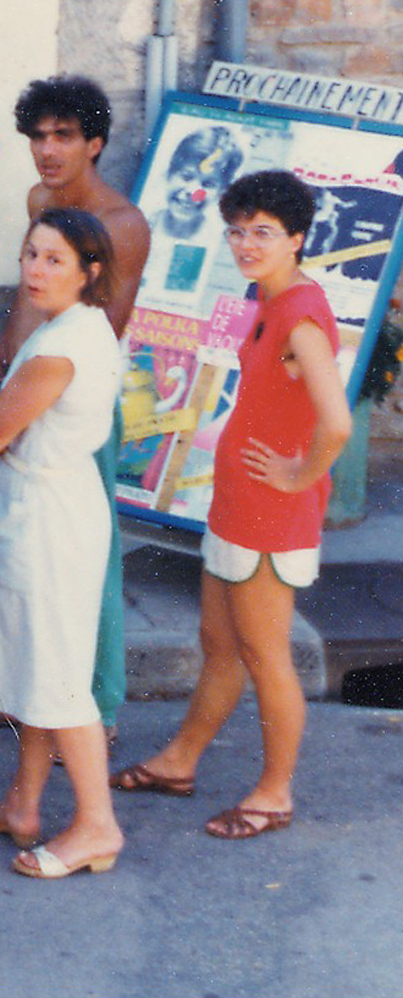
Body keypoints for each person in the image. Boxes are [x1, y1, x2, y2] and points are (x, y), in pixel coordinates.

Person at [111, 171, 351, 841]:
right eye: (238, 231)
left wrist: (299, 476)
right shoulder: (267, 296)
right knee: (219, 643)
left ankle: (275, 793)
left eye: (264, 233)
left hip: (271, 514)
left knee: (266, 653)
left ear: (296, 239)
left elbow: (336, 423)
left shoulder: (300, 312)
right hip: (238, 504)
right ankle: (179, 761)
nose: (246, 244)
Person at [0, 76, 150, 740]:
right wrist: (6, 349)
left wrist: (24, 383)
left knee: (89, 553)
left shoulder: (121, 225)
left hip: (77, 401)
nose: (48, 150)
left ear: (95, 144)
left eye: (65, 136)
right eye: (39, 136)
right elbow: (34, 289)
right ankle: (25, 688)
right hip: (31, 381)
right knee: (18, 550)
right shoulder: (39, 198)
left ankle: (98, 706)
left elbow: (92, 332)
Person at [0, 208, 125, 880]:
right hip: (37, 507)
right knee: (37, 663)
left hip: (48, 519)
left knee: (57, 675)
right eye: (31, 254)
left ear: (90, 272)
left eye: (54, 259)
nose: (34, 269)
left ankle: (97, 825)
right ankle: (24, 804)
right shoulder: (71, 327)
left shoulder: (63, 346)